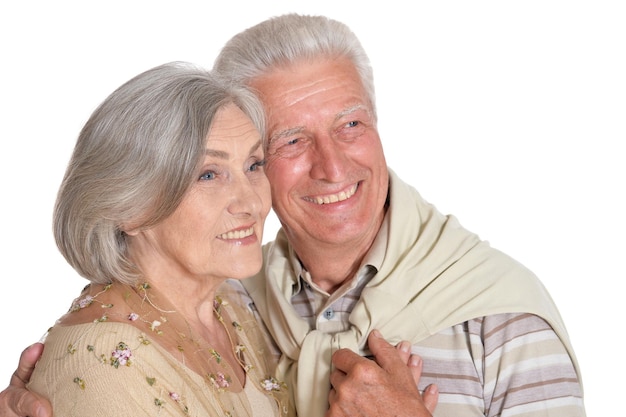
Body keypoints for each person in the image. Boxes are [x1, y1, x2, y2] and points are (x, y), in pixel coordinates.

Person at [1, 12, 585, 417]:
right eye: (289, 143)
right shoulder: (236, 299)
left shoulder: (503, 321)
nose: (332, 166)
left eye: (351, 124)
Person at [12, 61, 291, 416]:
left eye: (254, 165)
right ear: (132, 207)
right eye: (208, 174)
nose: (252, 203)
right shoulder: (107, 362)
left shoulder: (230, 308)